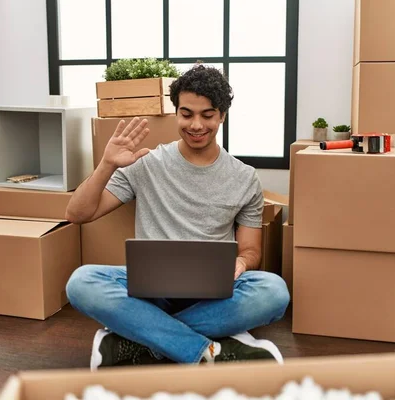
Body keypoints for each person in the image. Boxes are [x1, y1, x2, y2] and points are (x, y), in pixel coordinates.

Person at [64, 64, 290, 370]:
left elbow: (251, 251)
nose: (196, 125)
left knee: (274, 292)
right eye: (187, 114)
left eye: (207, 115)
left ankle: (143, 336)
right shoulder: (147, 163)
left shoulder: (244, 177)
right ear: (176, 113)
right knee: (81, 282)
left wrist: (241, 263)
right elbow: (77, 213)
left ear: (221, 115)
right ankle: (200, 349)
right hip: (150, 291)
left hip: (214, 294)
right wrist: (107, 164)